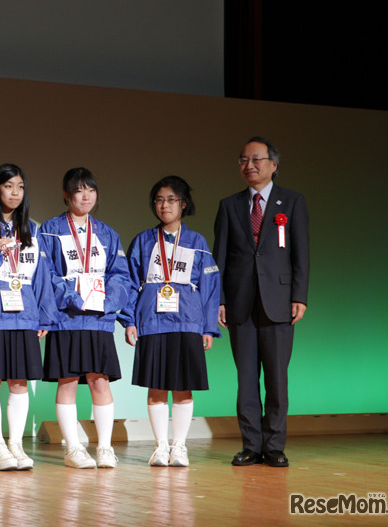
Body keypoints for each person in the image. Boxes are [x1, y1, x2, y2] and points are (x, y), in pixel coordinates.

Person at [213, 137, 310, 468]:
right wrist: (219, 300)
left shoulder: (292, 202)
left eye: (256, 159)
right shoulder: (229, 205)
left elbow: (301, 254)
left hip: (279, 301)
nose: (249, 165)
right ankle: (250, 445)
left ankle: (274, 445)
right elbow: (220, 259)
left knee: (277, 378)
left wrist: (299, 295)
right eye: (243, 159)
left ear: (273, 165)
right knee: (245, 380)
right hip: (240, 302)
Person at [119, 176, 220, 467]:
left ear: (184, 204)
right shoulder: (143, 241)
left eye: (172, 199)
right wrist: (129, 321)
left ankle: (180, 446)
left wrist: (208, 326)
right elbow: (129, 283)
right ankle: (160, 446)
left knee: (183, 387)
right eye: (160, 199)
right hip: (152, 322)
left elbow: (211, 286)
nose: (165, 205)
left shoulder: (197, 242)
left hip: (187, 322)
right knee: (156, 387)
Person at [38, 167, 129, 469]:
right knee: (66, 381)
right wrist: (72, 297)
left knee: (99, 380)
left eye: (90, 189)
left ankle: (104, 447)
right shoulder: (49, 230)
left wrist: (107, 301)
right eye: (79, 190)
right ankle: (73, 449)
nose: (86, 195)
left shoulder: (107, 233)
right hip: (66, 318)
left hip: (98, 319)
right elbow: (46, 273)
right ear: (66, 195)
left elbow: (120, 274)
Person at [0, 163, 55, 471]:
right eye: (8, 186)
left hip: (24, 315)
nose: (14, 193)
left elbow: (43, 275)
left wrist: (45, 316)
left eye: (19, 187)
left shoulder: (33, 229)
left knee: (19, 382)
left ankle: (16, 445)